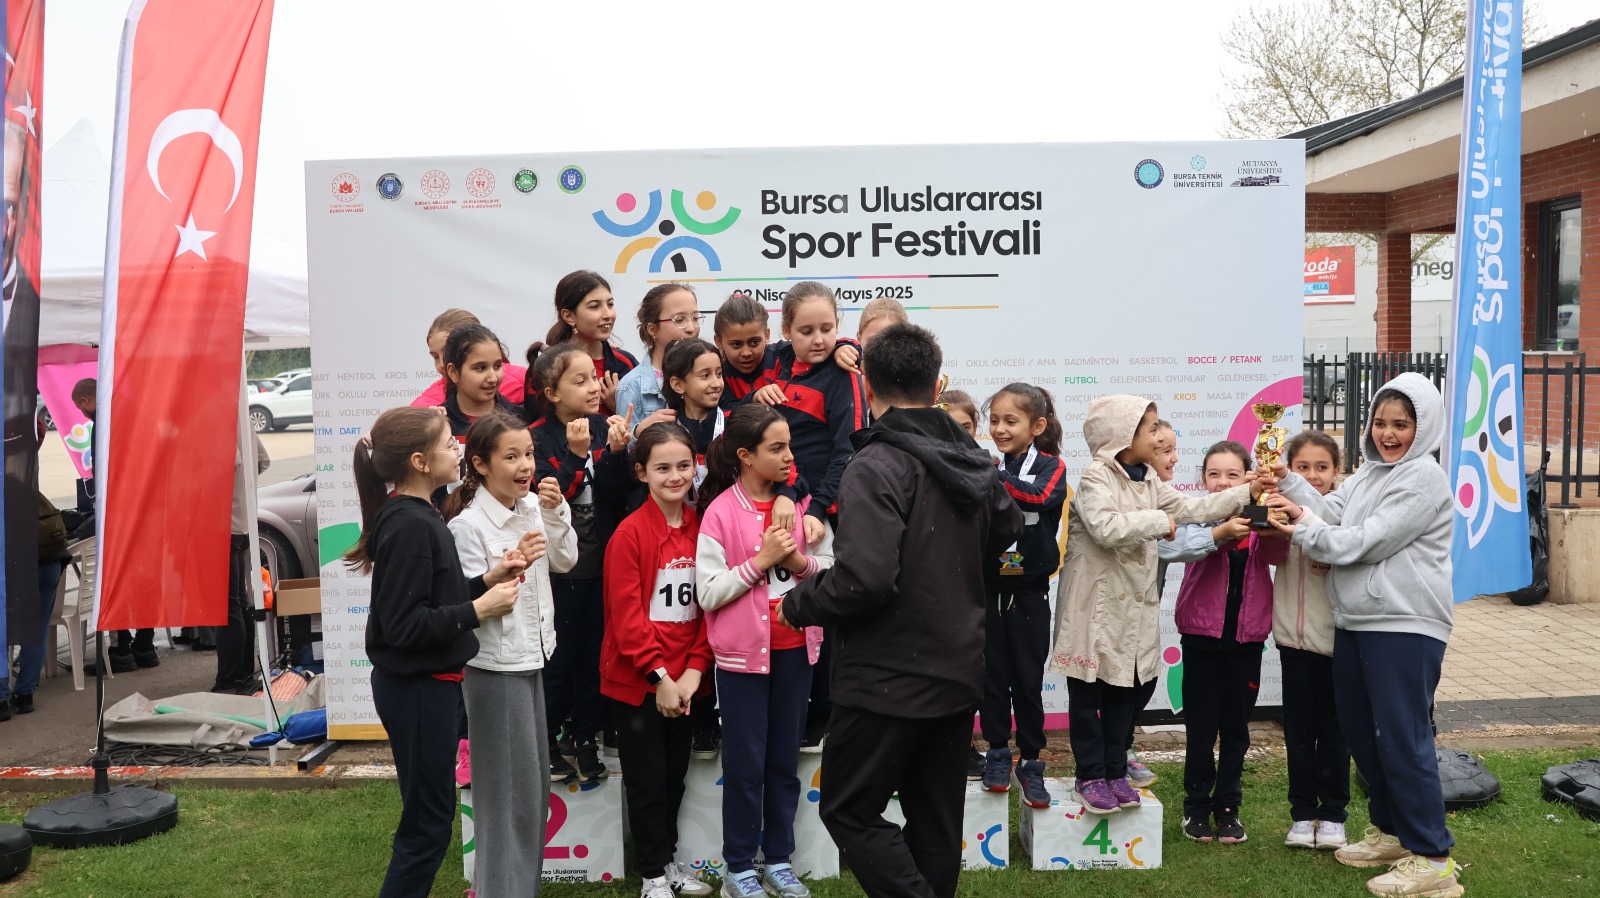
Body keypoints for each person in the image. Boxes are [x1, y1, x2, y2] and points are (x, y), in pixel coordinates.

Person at [780, 323, 1022, 898]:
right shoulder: (970, 457)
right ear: (936, 385)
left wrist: (798, 603)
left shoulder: (878, 462)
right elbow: (1007, 526)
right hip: (955, 666)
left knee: (848, 809)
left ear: (866, 384)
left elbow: (865, 580)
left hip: (886, 677)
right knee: (934, 821)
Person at [1267, 374, 1462, 897]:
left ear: (1424, 427)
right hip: (1355, 621)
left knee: (1402, 738)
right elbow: (1334, 510)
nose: (1388, 434)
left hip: (1404, 624)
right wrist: (1288, 483)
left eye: (1401, 424)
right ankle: (1393, 833)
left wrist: (1302, 531)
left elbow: (1365, 541)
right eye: (1380, 422)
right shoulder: (1371, 473)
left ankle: (1433, 858)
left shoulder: (1423, 478)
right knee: (1363, 735)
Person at [1048, 395, 1264, 816]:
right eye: (1150, 429)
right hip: (1093, 613)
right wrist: (1159, 521)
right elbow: (1106, 527)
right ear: (1122, 436)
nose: (1159, 437)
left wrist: (1247, 491)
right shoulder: (1095, 477)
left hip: (1130, 616)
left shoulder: (1149, 480)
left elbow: (1193, 508)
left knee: (1122, 697)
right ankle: (1089, 775)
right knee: (1088, 697)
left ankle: (1115, 772)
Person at [343, 407, 523, 898]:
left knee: (429, 818)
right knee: (427, 826)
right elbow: (405, 626)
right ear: (420, 462)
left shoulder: (417, 515)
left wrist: (486, 581)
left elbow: (433, 597)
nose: (457, 449)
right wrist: (479, 609)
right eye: (448, 443)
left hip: (426, 688)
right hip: (418, 691)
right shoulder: (410, 526)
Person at [696, 404, 833, 898]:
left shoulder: (803, 504)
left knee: (783, 764)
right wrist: (761, 562)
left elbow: (830, 570)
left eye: (789, 445)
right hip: (741, 662)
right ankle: (738, 869)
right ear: (745, 456)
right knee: (746, 766)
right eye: (777, 448)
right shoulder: (719, 512)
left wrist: (798, 562)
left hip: (797, 654)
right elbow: (708, 592)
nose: (789, 456)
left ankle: (779, 861)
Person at [446, 412, 578, 898]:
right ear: (480, 464)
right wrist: (510, 566)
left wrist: (556, 512)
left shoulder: (533, 508)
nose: (526, 466)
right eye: (511, 457)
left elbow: (566, 561)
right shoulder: (467, 526)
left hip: (531, 658)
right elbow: (470, 605)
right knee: (506, 797)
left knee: (530, 793)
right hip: (494, 668)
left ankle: (508, 888)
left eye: (529, 454)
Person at [603, 423, 716, 898]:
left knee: (674, 779)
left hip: (685, 681)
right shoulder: (629, 535)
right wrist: (661, 678)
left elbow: (710, 609)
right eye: (663, 468)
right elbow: (627, 618)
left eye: (684, 466)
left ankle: (667, 862)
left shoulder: (704, 529)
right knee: (647, 780)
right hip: (640, 684)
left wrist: (692, 672)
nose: (675, 476)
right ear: (641, 473)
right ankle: (651, 874)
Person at [752, 281, 865, 750]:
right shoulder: (774, 361)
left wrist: (818, 507)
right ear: (785, 330)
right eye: (806, 330)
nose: (818, 339)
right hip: (770, 501)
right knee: (771, 608)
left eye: (827, 329)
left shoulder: (843, 374)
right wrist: (758, 395)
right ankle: (777, 713)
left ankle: (823, 714)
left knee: (821, 613)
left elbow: (847, 451)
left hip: (817, 512)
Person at [1166, 440, 1288, 844]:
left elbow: (1275, 554)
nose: (1222, 482)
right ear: (1202, 479)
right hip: (1200, 638)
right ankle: (1196, 806)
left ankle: (1229, 808)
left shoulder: (1260, 512)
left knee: (1236, 729)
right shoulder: (1194, 517)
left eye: (1233, 474)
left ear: (1248, 477)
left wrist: (1268, 522)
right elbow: (1186, 552)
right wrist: (1221, 531)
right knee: (1201, 728)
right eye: (1214, 474)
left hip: (1246, 641)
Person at [526, 342, 632, 783]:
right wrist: (575, 455)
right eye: (581, 380)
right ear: (552, 393)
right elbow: (549, 497)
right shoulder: (535, 438)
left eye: (594, 377)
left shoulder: (603, 425)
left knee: (595, 658)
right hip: (560, 571)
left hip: (603, 566)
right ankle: (549, 740)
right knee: (559, 660)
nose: (594, 388)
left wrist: (617, 454)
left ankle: (586, 739)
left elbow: (613, 494)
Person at [975, 383, 1067, 809]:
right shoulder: (989, 467)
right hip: (988, 589)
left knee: (1028, 682)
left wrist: (993, 476)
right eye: (994, 420)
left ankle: (1031, 761)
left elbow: (1039, 497)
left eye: (1010, 421)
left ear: (1037, 426)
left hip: (1030, 593)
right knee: (992, 679)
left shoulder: (1051, 467)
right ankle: (997, 753)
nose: (999, 429)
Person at [1272, 430, 1350, 851]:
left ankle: (1334, 815)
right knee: (1299, 733)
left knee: (1335, 733)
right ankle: (1302, 814)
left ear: (1337, 471)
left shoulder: (1345, 515)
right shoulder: (1279, 510)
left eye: (1322, 467)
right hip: (1292, 640)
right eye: (1302, 467)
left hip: (1336, 643)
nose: (1313, 475)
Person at [70, 377, 157, 672]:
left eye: (80, 408)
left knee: (117, 580)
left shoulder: (104, 423)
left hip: (121, 514)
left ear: (86, 401)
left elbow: (107, 472)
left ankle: (120, 651)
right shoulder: (132, 414)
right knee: (145, 580)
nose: (83, 414)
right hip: (146, 510)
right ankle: (145, 645)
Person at [1126, 418, 1181, 789]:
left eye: (1175, 449)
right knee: (1125, 684)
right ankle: (1116, 752)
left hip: (1145, 611)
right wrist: (1220, 534)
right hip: (1117, 611)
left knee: (1144, 680)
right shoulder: (1129, 494)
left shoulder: (1167, 497)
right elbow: (1175, 544)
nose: (1173, 458)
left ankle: (1122, 746)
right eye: (1165, 450)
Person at [0, 489, 72, 719]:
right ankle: (25, 694)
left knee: (1, 629)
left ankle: (1, 698)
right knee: (38, 628)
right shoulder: (26, 482)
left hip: (16, 566)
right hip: (49, 562)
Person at [214, 432, 270, 694]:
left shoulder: (224, 417)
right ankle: (243, 674)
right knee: (238, 599)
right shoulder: (242, 417)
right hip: (243, 519)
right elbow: (262, 461)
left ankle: (230, 679)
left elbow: (224, 465)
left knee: (229, 604)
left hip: (226, 521)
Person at [540, 270, 638, 416]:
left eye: (610, 304)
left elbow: (644, 421)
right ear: (568, 316)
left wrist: (619, 406)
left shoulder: (625, 363)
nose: (608, 314)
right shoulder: (549, 366)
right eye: (594, 307)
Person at [616, 283, 704, 436]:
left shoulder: (711, 372)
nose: (691, 328)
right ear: (652, 329)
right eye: (679, 320)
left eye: (695, 318)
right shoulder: (631, 387)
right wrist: (639, 431)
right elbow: (620, 447)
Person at [411, 308, 526, 408]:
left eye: (448, 352)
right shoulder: (428, 405)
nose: (442, 363)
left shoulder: (525, 380)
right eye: (435, 357)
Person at [441, 324, 526, 435]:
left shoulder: (520, 419)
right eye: (480, 368)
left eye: (497, 366)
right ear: (453, 372)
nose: (493, 378)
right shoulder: (439, 425)